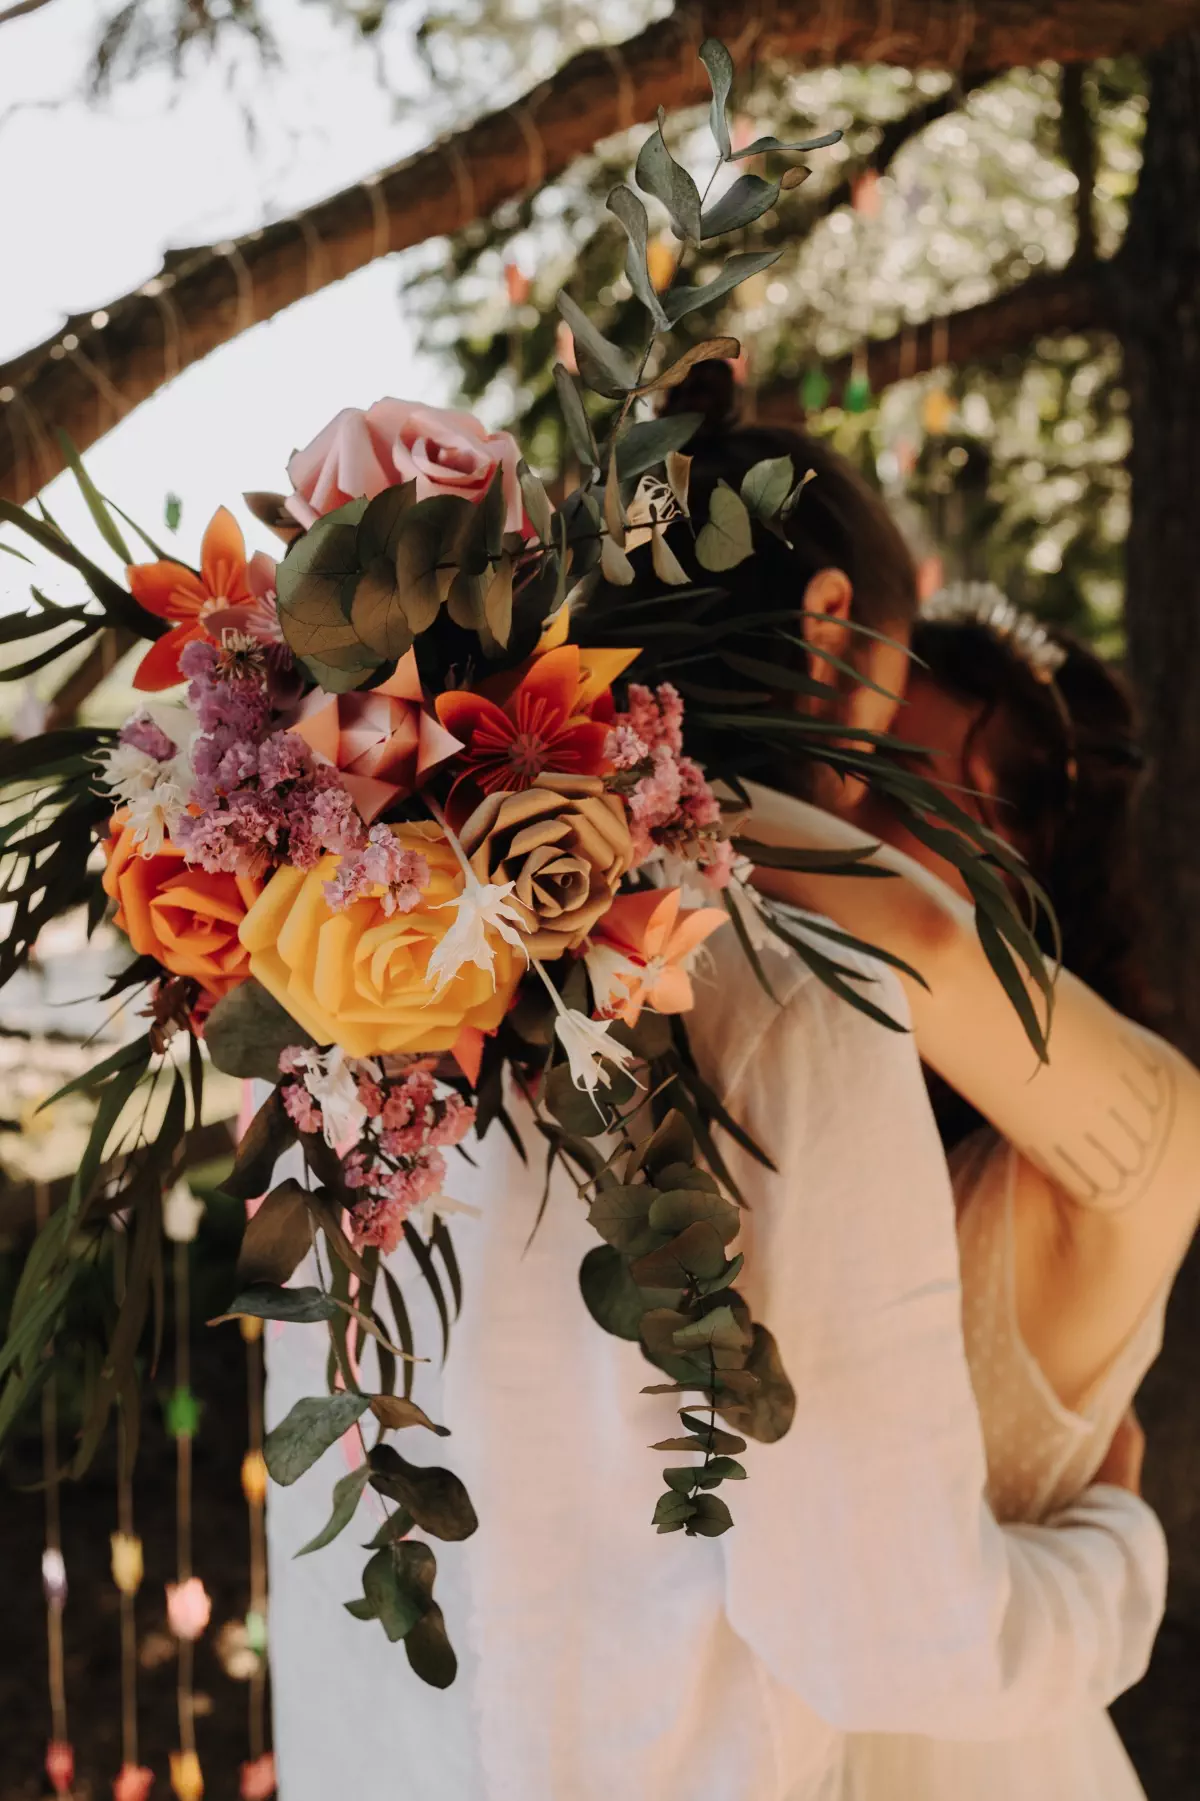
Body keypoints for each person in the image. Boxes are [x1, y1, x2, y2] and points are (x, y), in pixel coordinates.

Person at [264, 388, 1167, 1801]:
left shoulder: (343, 986)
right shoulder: (801, 1001)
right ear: (828, 624)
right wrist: (1126, 1557)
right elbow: (893, 1640)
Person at [744, 582, 1198, 1798]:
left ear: (1029, 856)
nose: (848, 816)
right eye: (840, 769)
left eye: (904, 790)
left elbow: (936, 944)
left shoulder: (1139, 1148)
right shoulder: (781, 1094)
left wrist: (645, 791)